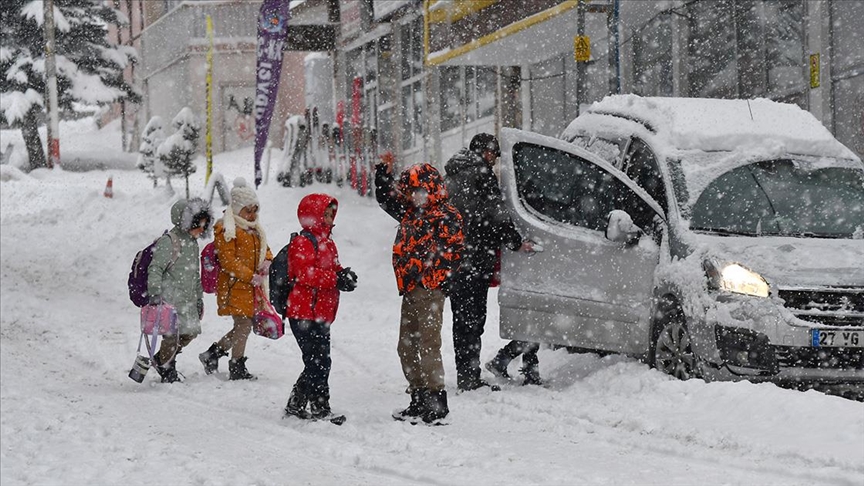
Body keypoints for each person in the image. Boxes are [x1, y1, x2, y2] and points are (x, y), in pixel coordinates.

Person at [444, 133, 539, 391]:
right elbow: (494, 214)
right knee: (473, 320)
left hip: (456, 259)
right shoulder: (481, 174)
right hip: (475, 258)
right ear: (485, 151)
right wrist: (515, 241)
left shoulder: (452, 174)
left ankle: (466, 373)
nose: (494, 160)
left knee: (461, 320)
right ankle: (469, 377)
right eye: (494, 154)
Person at [375, 153, 464, 424]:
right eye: (411, 191)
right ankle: (418, 395)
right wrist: (382, 174)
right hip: (412, 289)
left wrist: (428, 273)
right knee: (406, 345)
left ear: (431, 188)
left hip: (429, 289)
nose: (414, 196)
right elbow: (386, 199)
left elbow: (453, 251)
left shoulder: (446, 214)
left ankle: (435, 400)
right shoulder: (411, 213)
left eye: (419, 191)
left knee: (428, 344)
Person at [283, 194, 357, 422]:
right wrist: (336, 279)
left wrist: (345, 275)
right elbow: (305, 274)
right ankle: (320, 407)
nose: (328, 218)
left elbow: (333, 268)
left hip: (321, 312)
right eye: (324, 213)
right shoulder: (303, 242)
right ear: (312, 215)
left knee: (318, 360)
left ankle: (296, 405)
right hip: (303, 312)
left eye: (330, 214)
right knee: (318, 361)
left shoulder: (328, 242)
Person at [198, 178, 273, 381]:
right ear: (237, 209)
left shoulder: (255, 229)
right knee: (244, 326)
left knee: (243, 326)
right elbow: (228, 260)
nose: (252, 215)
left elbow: (265, 249)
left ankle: (213, 354)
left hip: (250, 288)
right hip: (233, 286)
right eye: (248, 210)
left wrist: (267, 261)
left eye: (255, 210)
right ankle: (236, 366)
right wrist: (251, 276)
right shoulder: (226, 229)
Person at [148, 198, 212, 383]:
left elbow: (194, 274)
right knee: (171, 335)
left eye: (204, 226)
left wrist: (199, 299)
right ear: (187, 222)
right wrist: (155, 292)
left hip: (188, 299)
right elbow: (156, 268)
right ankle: (168, 368)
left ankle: (161, 358)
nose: (202, 230)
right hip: (170, 299)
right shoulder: (169, 241)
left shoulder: (192, 243)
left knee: (189, 332)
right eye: (199, 225)